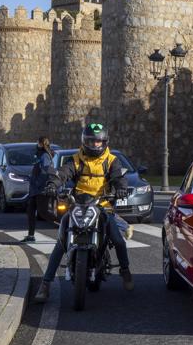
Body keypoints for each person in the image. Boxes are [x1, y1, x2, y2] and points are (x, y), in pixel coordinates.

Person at [36, 123, 132, 300]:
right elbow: (63, 173)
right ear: (84, 141)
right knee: (61, 240)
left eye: (98, 142)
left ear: (104, 142)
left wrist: (121, 188)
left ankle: (125, 270)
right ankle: (45, 284)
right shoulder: (75, 159)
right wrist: (52, 184)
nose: (95, 145)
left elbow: (118, 177)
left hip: (103, 205)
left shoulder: (111, 160)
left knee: (118, 239)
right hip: (78, 205)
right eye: (91, 142)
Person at [23, 136, 52, 243]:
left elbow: (45, 171)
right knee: (30, 211)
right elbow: (37, 169)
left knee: (43, 213)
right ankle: (31, 235)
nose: (36, 144)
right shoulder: (39, 154)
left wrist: (38, 183)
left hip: (40, 189)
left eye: (37, 142)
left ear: (41, 143)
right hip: (35, 189)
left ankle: (63, 227)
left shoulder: (45, 156)